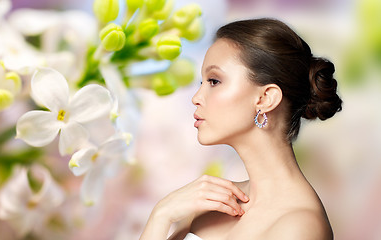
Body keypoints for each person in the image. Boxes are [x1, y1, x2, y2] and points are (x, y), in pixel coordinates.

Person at [139, 18, 342, 240]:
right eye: (201, 83)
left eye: (214, 81)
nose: (196, 98)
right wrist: (162, 214)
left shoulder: (299, 227)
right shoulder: (212, 203)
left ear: (265, 98)